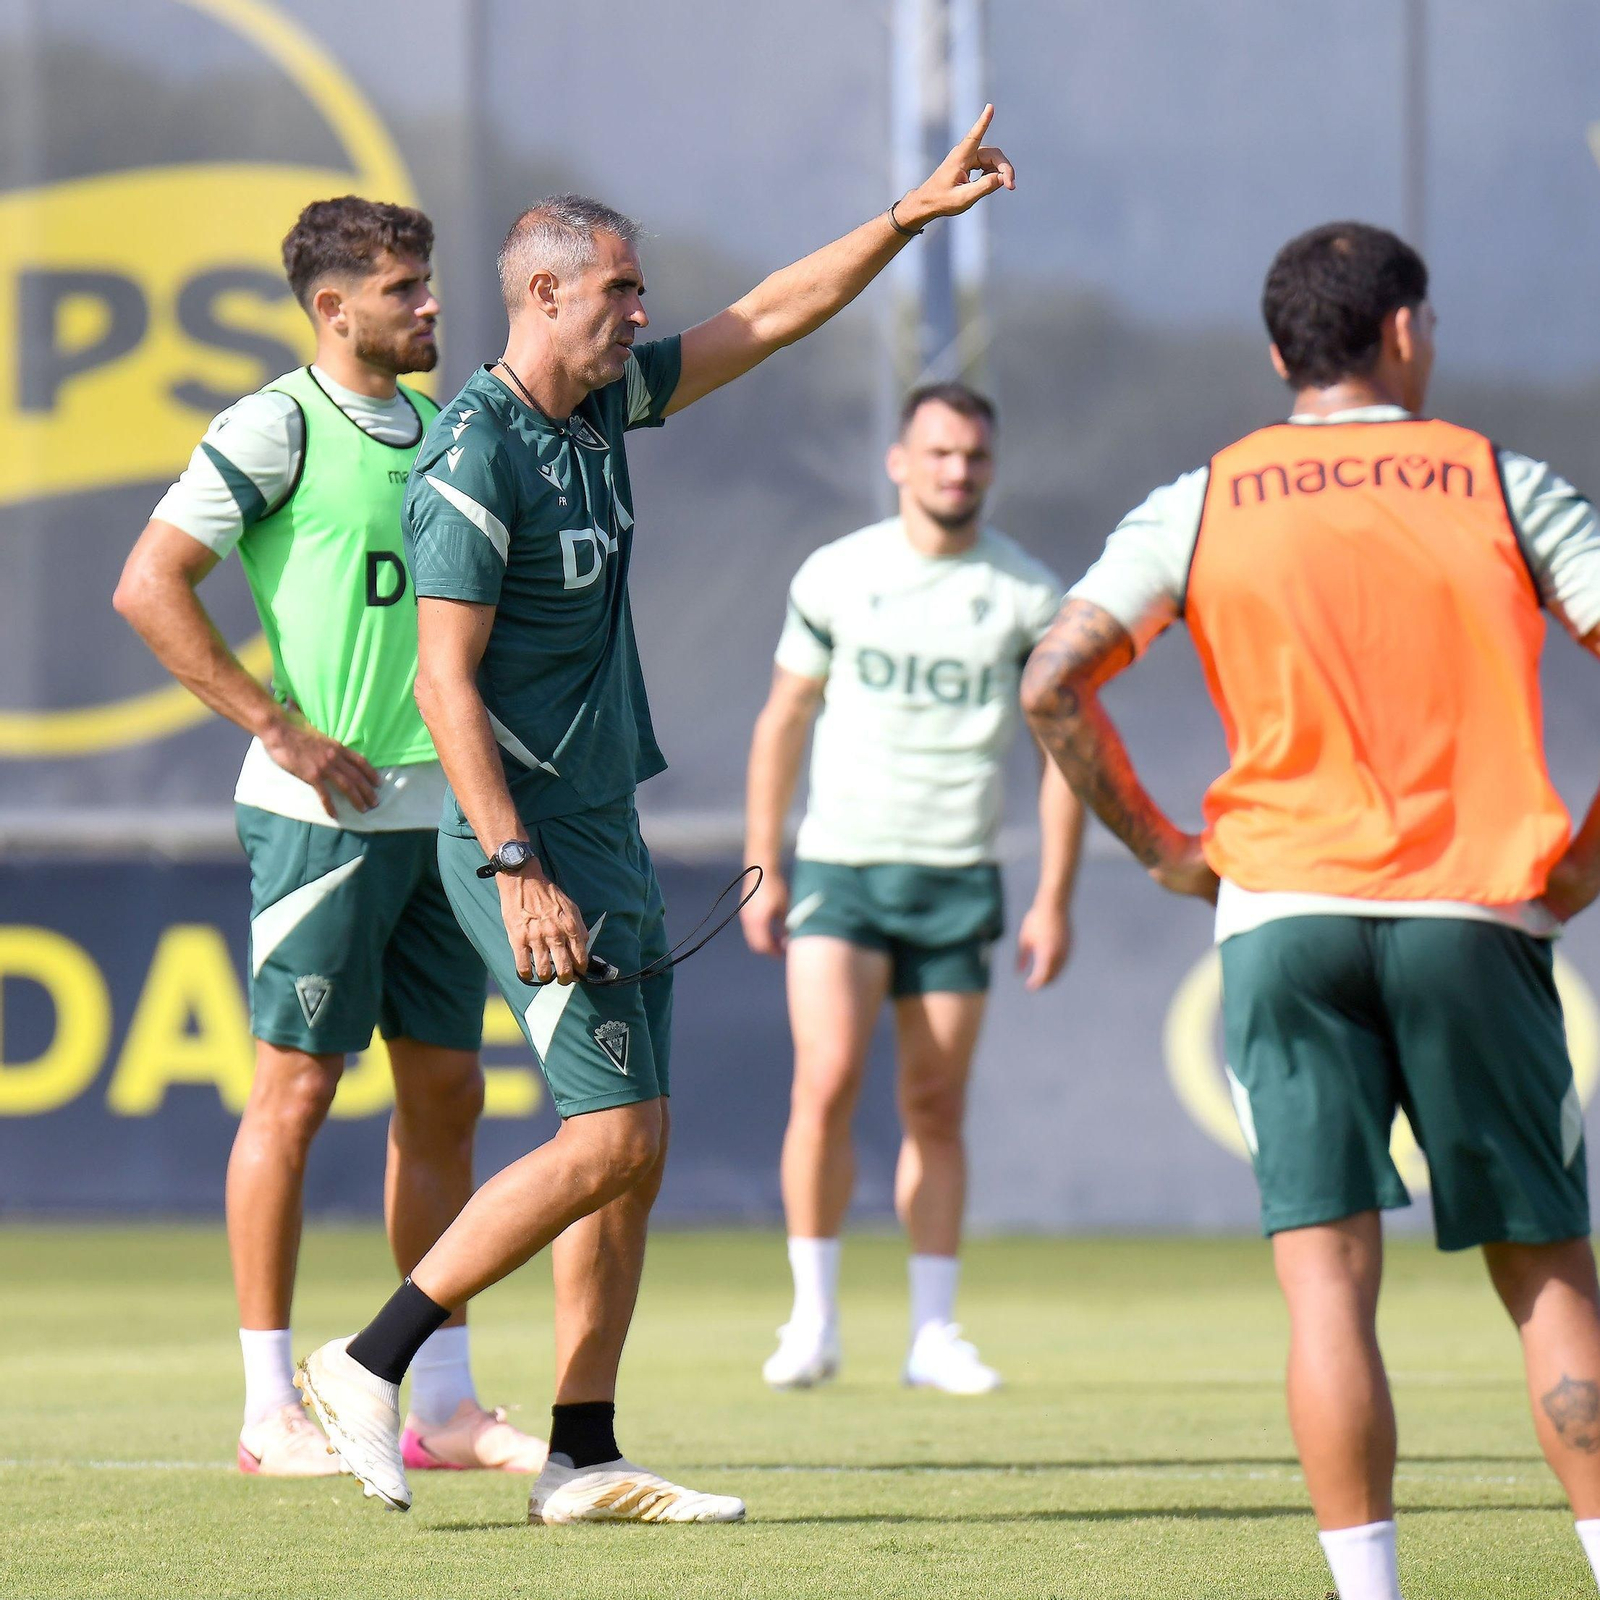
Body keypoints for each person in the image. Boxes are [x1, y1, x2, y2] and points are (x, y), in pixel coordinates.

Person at [293, 109, 1017, 1524]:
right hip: (523, 842)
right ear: (544, 290)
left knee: (636, 1149)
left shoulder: (603, 407)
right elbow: (442, 684)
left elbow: (771, 314)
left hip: (603, 827)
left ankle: (583, 1451)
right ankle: (367, 1359)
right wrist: (516, 866)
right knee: (611, 1139)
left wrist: (903, 219)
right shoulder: (474, 456)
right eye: (619, 289)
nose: (641, 312)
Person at [1020, 219, 1600, 1600]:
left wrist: (1167, 851)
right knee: (1547, 1277)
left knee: (1328, 1286)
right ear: (1401, 332)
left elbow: (1051, 681)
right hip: (1476, 913)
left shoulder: (1204, 498)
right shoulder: (1500, 481)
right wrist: (1585, 862)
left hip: (1280, 914)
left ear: (1281, 352)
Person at [114, 197, 545, 1479]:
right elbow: (148, 584)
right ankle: (267, 1409)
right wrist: (276, 724)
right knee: (296, 1091)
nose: (430, 304)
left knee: (447, 1096)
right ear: (332, 307)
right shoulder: (277, 424)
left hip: (440, 817)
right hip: (325, 821)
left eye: (427, 281)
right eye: (404, 288)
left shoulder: (445, 425)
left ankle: (442, 1403)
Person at [740, 382, 1081, 1394]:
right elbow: (783, 719)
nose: (955, 471)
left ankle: (934, 1332)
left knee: (935, 1103)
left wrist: (1053, 897)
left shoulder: (1028, 596)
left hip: (955, 877)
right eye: (937, 452)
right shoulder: (838, 574)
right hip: (841, 868)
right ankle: (811, 1319)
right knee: (827, 1079)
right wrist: (764, 862)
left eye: (973, 456)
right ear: (899, 461)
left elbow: (1063, 760)